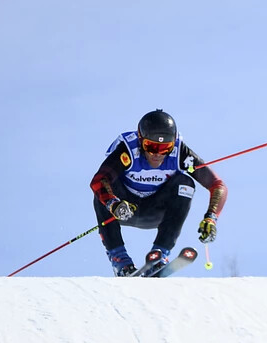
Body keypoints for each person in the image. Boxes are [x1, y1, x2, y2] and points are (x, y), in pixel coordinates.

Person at [90, 109, 228, 276]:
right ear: (141, 140)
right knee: (102, 191)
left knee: (186, 183)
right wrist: (114, 203)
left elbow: (218, 185)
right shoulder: (127, 150)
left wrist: (211, 218)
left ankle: (160, 255)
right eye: (151, 146)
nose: (157, 153)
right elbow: (98, 180)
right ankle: (121, 262)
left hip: (156, 211)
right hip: (124, 208)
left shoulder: (180, 153)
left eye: (165, 148)